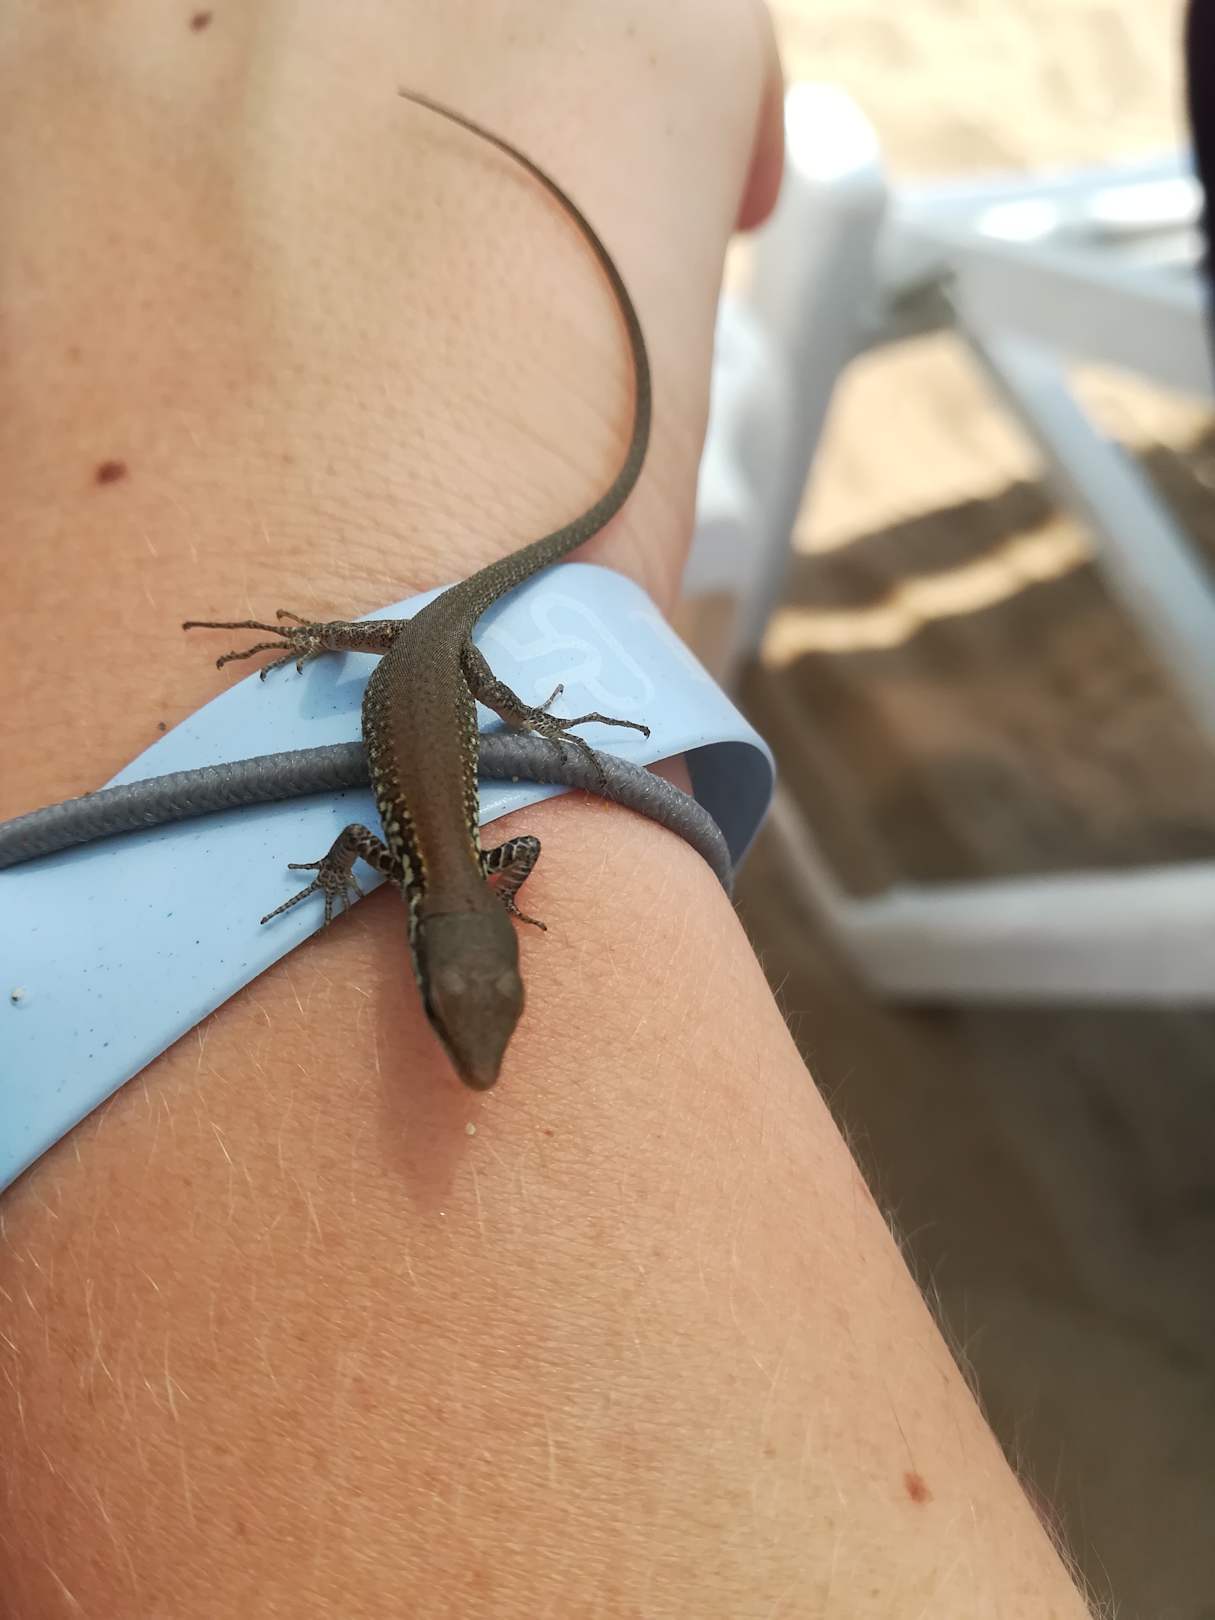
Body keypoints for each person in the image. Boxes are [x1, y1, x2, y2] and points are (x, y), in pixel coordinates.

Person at [0, 3, 1093, 1613]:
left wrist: (506, 753)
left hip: (436, 673)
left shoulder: (447, 869)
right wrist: (437, 732)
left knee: (457, 673)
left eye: (473, 1009)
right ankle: (384, 655)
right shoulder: (428, 869)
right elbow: (419, 841)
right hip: (408, 666)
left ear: (465, 953)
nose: (472, 1037)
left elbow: (451, 846)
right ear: (455, 951)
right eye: (474, 1011)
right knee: (403, 659)